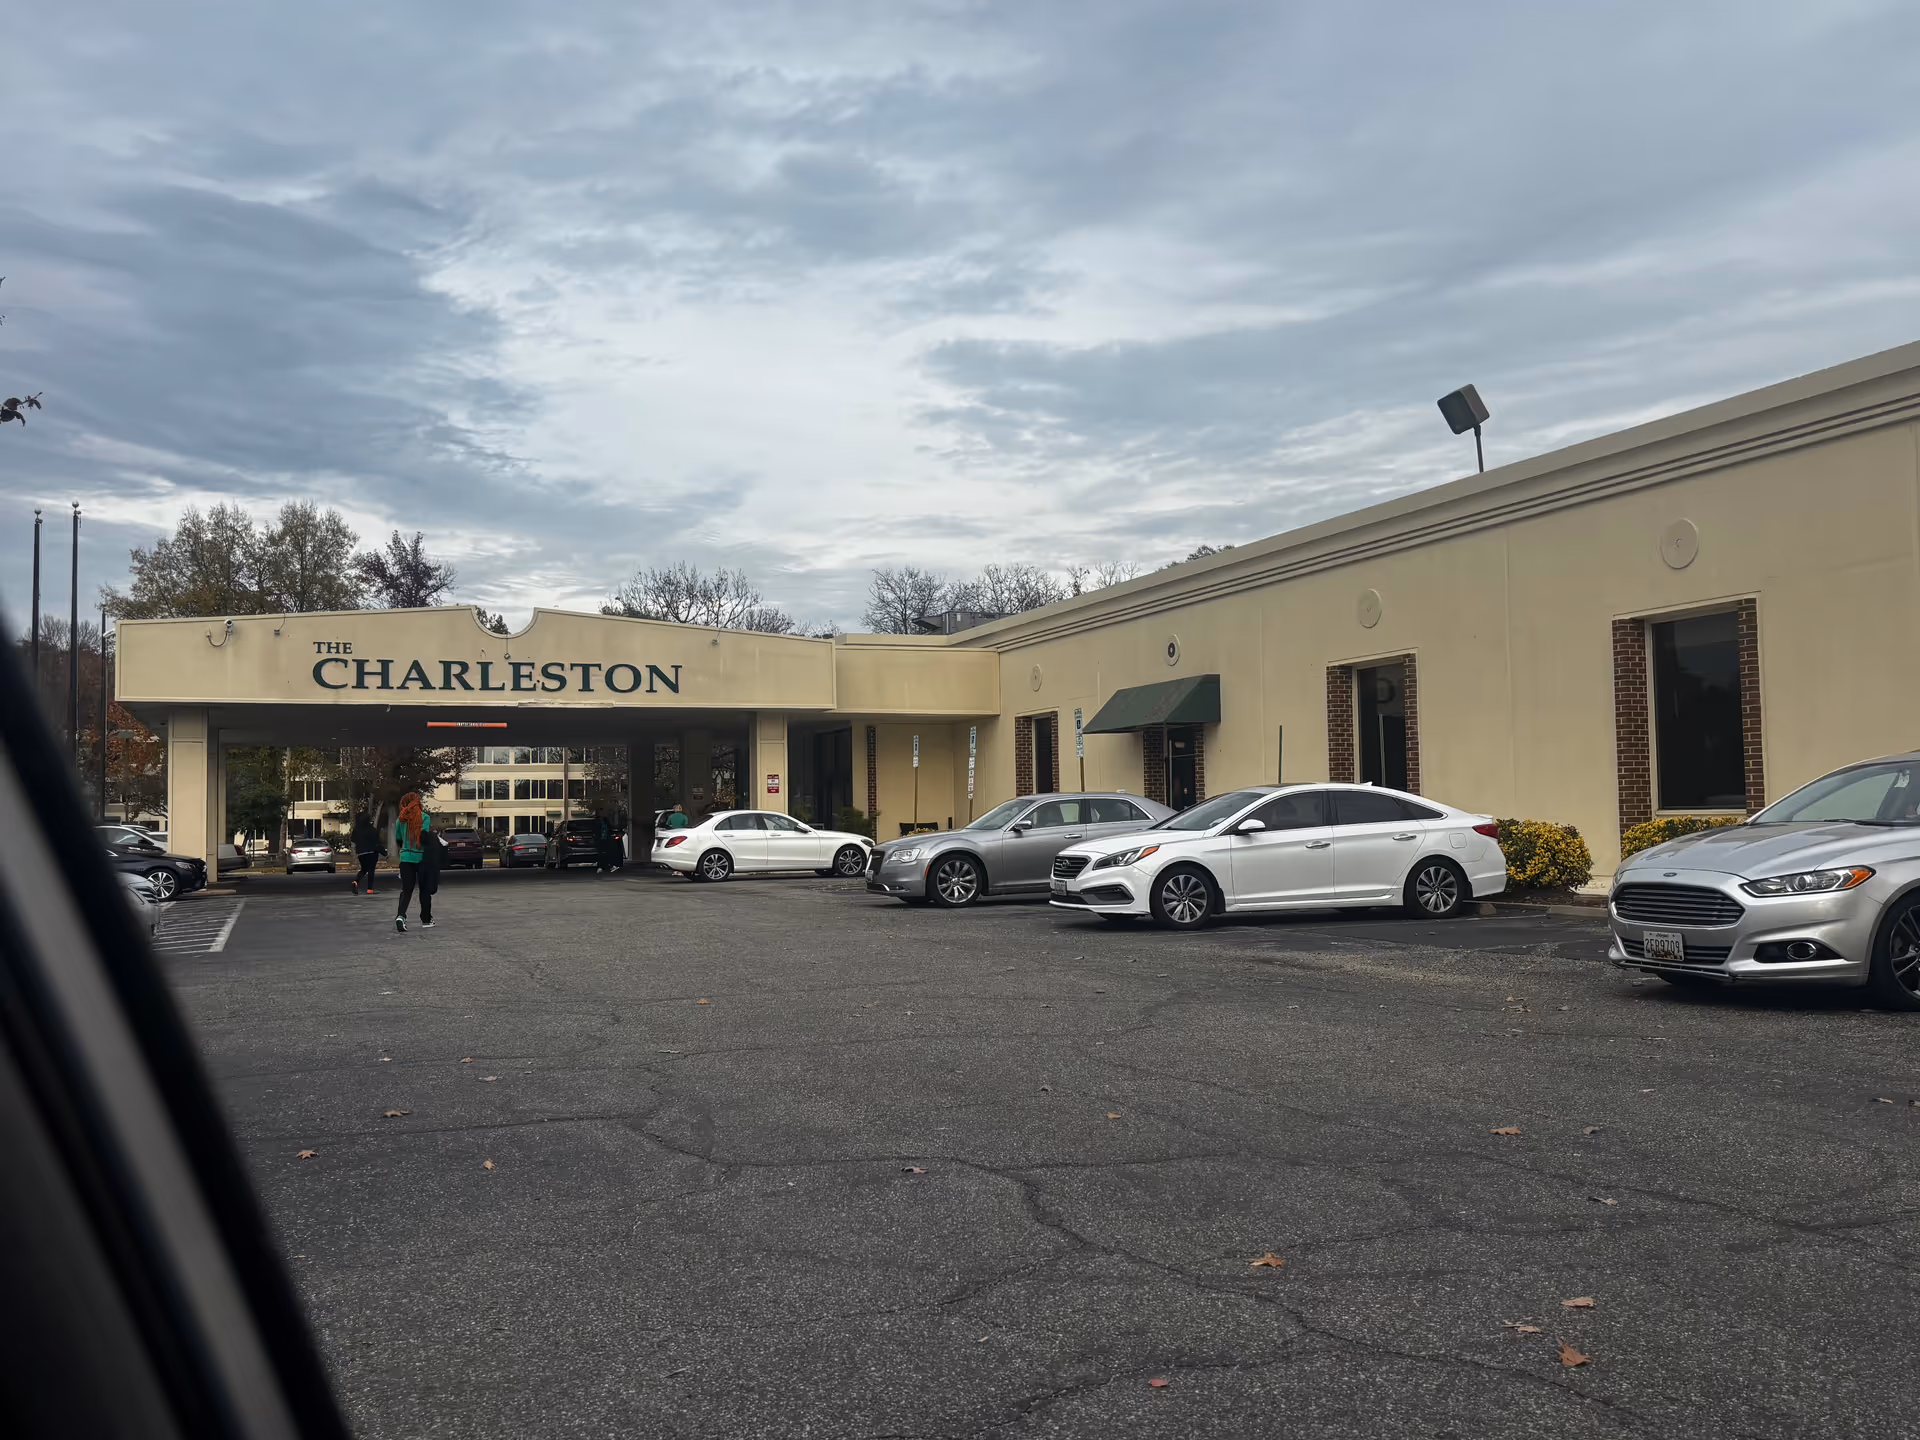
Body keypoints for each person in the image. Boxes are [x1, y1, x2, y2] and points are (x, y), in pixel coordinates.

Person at [393, 792, 434, 933]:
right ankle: (426, 919)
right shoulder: (425, 818)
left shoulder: (400, 819)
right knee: (424, 889)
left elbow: (398, 839)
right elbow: (424, 837)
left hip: (405, 858)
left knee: (406, 890)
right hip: (422, 858)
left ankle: (400, 916)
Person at [349, 809, 382, 895]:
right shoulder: (372, 829)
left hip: (361, 853)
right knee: (371, 870)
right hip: (372, 853)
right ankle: (370, 889)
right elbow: (377, 843)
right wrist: (384, 853)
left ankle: (355, 882)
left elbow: (353, 839)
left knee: (363, 869)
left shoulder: (357, 829)